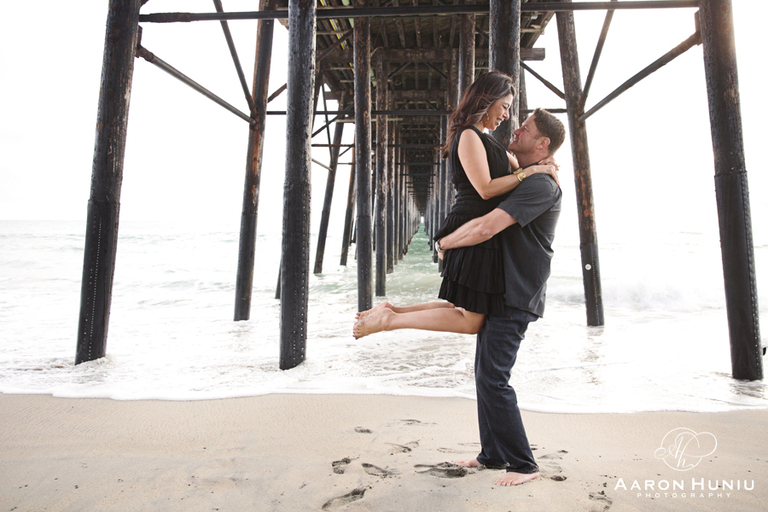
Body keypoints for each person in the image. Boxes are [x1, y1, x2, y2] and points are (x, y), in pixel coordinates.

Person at [353, 71, 557, 339]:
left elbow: (520, 173)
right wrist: (528, 173)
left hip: (480, 233)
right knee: (470, 321)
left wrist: (541, 165)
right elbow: (485, 189)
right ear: (487, 100)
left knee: (461, 307)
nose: (507, 116)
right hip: (471, 228)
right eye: (504, 107)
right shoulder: (468, 135)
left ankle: (392, 311)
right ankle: (389, 320)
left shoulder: (488, 140)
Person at [438, 107, 566, 486]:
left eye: (525, 129)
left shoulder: (541, 186)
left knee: (494, 378)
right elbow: (495, 170)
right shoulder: (527, 176)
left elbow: (488, 227)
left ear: (542, 143)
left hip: (518, 293)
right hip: (503, 287)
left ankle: (524, 465)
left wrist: (445, 242)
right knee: (484, 375)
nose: (515, 130)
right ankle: (492, 454)